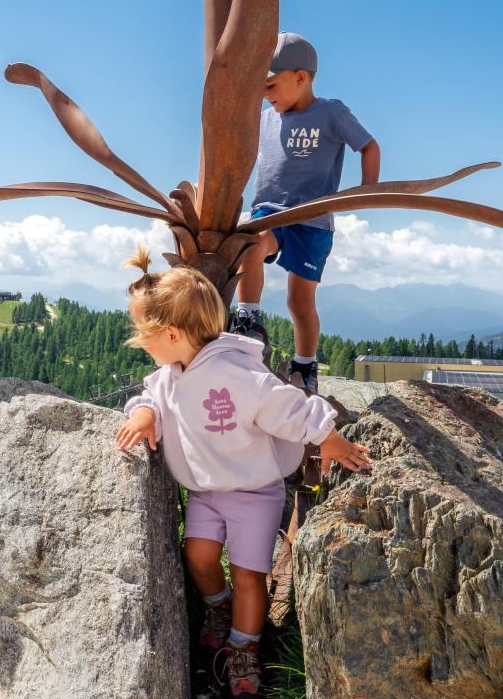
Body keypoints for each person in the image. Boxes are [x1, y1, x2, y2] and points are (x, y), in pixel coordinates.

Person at [112, 247, 372, 697]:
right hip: (207, 492)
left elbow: (282, 403)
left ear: (171, 333)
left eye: (143, 333)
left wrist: (327, 436)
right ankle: (219, 608)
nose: (139, 340)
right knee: (198, 556)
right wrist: (144, 414)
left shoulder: (236, 372)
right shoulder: (174, 370)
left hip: (255, 492)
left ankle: (244, 646)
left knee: (251, 574)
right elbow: (149, 396)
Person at [229, 33, 380, 389]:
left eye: (271, 85)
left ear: (301, 77)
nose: (266, 95)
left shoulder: (331, 113)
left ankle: (305, 366)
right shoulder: (265, 119)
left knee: (299, 300)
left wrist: (367, 190)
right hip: (269, 212)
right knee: (248, 242)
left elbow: (369, 146)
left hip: (312, 219)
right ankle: (248, 319)